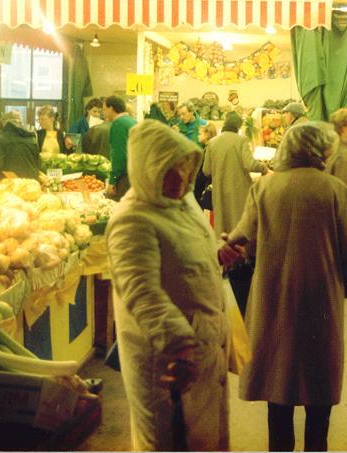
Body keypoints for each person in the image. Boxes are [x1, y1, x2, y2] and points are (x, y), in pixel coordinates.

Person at [226, 122, 347, 452]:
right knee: (319, 382)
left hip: (274, 294)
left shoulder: (265, 187)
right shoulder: (334, 189)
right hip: (321, 296)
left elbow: (242, 235)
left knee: (280, 381)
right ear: (320, 150)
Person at [106, 119, 235, 451]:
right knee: (170, 439)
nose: (181, 175)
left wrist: (217, 253)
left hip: (200, 348)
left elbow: (183, 254)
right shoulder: (132, 219)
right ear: (148, 168)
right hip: (168, 357)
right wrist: (179, 342)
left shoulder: (180, 205)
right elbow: (141, 290)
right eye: (169, 167)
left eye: (184, 165)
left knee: (202, 435)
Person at [202, 112, 267, 313]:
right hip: (240, 190)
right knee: (242, 225)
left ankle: (227, 267)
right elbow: (250, 164)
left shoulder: (212, 142)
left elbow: (206, 171)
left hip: (220, 191)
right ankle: (243, 264)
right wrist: (264, 168)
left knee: (225, 227)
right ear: (238, 127)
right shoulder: (241, 140)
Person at [103, 96, 136, 200]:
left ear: (111, 108)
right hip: (136, 175)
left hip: (125, 178)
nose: (103, 113)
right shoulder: (131, 121)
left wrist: (113, 181)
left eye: (104, 109)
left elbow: (119, 156)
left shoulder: (118, 124)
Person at [0, 111, 40, 180]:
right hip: (31, 185)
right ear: (21, 123)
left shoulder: (0, 140)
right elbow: (37, 164)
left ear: (6, 123)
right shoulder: (32, 139)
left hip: (11, 185)